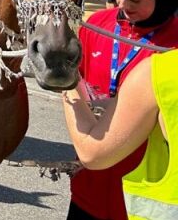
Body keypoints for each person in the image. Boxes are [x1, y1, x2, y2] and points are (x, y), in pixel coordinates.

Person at [67, 0, 178, 219]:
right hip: (88, 185)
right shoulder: (97, 24)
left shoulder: (173, 45)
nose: (124, 5)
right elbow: (77, 78)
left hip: (138, 191)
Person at [63, 46, 178, 217]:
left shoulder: (162, 71)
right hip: (89, 197)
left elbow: (92, 153)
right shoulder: (95, 26)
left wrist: (65, 82)